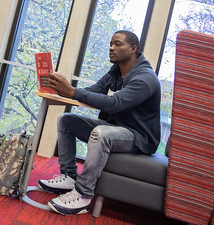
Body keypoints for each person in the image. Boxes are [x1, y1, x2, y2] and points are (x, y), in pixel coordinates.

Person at [37, 30, 161, 215]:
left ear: (133, 49)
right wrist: (60, 88)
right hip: (116, 128)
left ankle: (83, 195)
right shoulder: (115, 72)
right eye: (111, 43)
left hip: (138, 137)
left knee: (101, 133)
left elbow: (114, 104)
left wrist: (71, 91)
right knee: (66, 120)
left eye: (118, 44)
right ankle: (69, 176)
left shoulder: (145, 78)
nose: (111, 48)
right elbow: (92, 92)